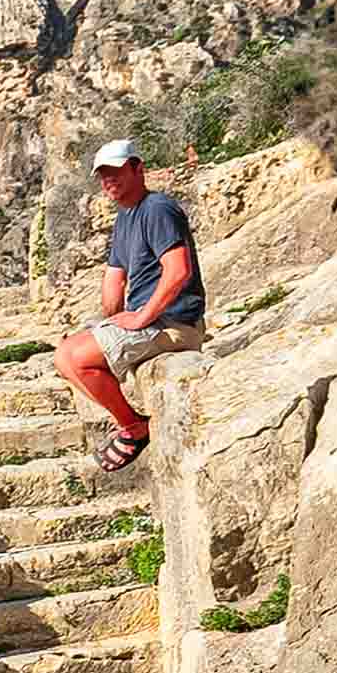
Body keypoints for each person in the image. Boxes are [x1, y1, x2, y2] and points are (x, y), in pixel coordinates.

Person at [57, 137, 205, 473]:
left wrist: (141, 318)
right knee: (66, 353)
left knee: (76, 360)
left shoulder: (157, 209)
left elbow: (179, 270)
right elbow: (114, 279)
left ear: (138, 168)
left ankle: (134, 428)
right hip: (151, 321)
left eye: (116, 171)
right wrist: (110, 323)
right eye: (103, 175)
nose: (108, 180)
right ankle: (127, 421)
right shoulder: (125, 216)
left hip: (173, 324)